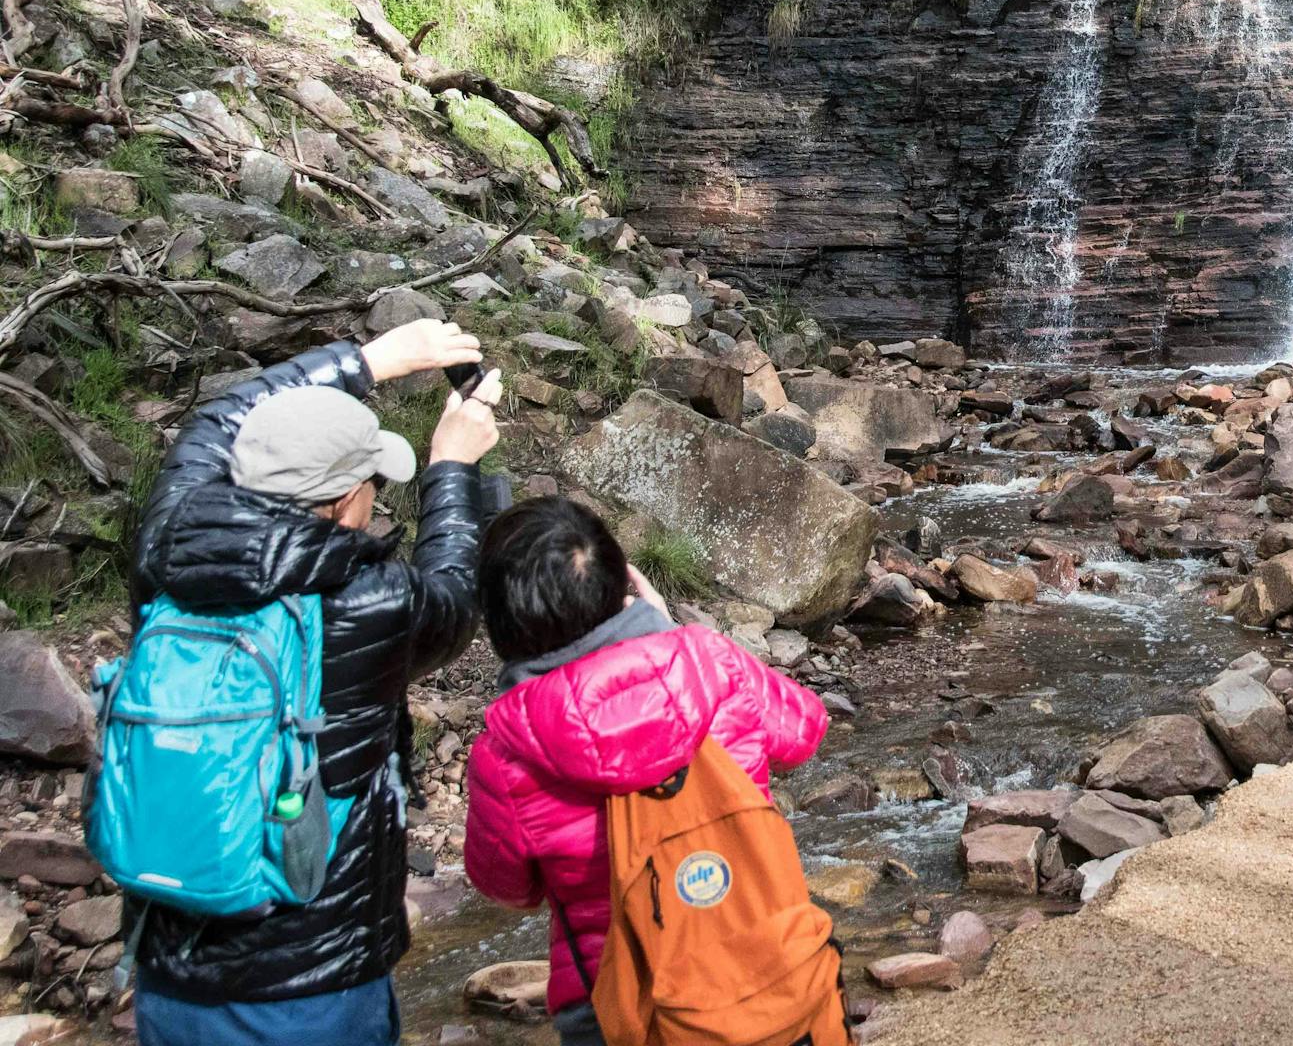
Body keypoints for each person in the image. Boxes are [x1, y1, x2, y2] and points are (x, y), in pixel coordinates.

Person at [128, 318, 502, 1046]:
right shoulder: (367, 603)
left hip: (167, 970)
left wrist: (367, 362)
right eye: (369, 482)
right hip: (313, 986)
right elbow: (454, 594)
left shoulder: (167, 546)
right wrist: (452, 467)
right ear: (342, 505)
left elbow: (213, 423)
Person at [462, 497, 830, 1046]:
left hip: (613, 1000)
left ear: (500, 622)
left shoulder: (505, 750)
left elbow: (508, 887)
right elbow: (806, 731)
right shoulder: (710, 660)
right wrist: (662, 633)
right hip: (755, 964)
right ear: (619, 578)